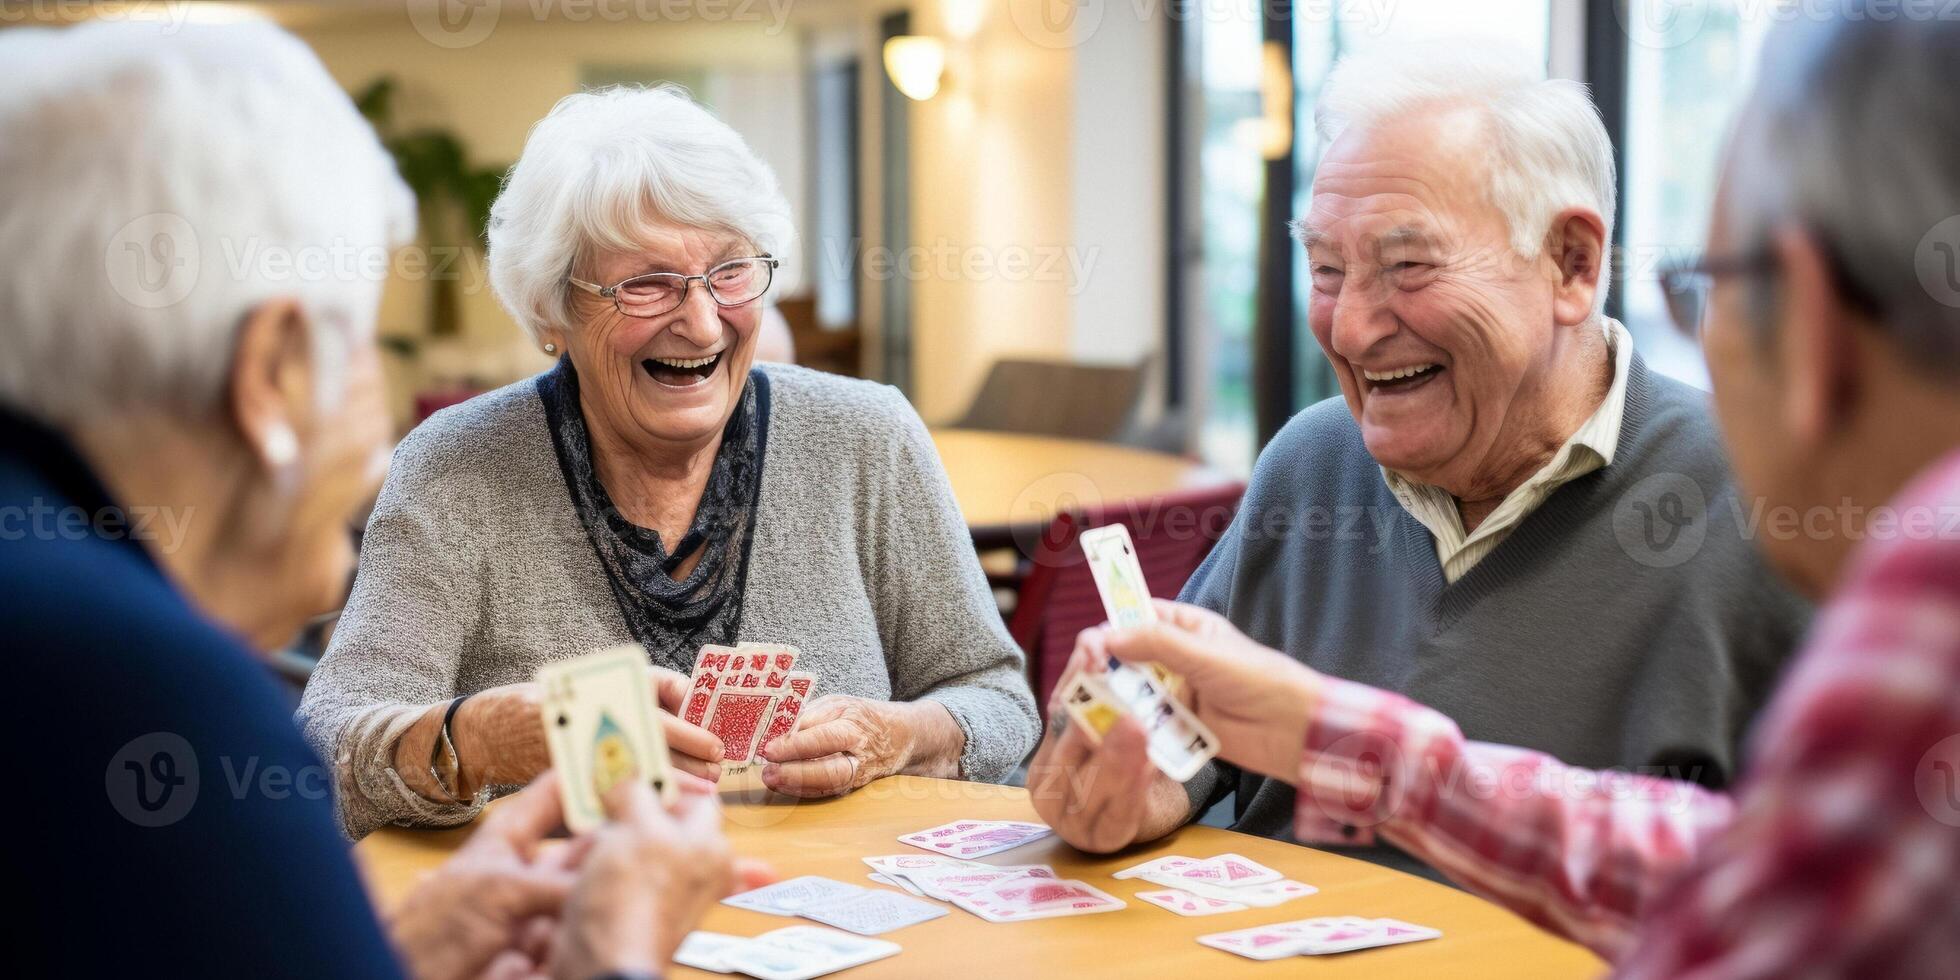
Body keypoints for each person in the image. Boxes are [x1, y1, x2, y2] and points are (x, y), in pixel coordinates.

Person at [1056, 12, 1960, 977]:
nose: (1354, 328)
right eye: (1325, 270)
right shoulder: (1310, 463)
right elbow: (1727, 864)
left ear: (1574, 263)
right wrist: (1143, 776)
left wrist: (1340, 742)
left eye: (1409, 266)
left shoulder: (1875, 570)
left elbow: (1768, 906)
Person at [3, 21, 762, 978]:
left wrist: (413, 948)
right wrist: (611, 952)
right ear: (272, 371)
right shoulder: (133, 682)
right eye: (360, 334)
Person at [299, 84, 1038, 839]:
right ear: (554, 311)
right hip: (567, 930)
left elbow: (999, 700)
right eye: (646, 284)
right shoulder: (457, 467)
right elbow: (324, 753)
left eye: (730, 272)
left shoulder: (867, 436)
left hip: (849, 931)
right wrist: (479, 741)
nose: (702, 320)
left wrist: (906, 737)